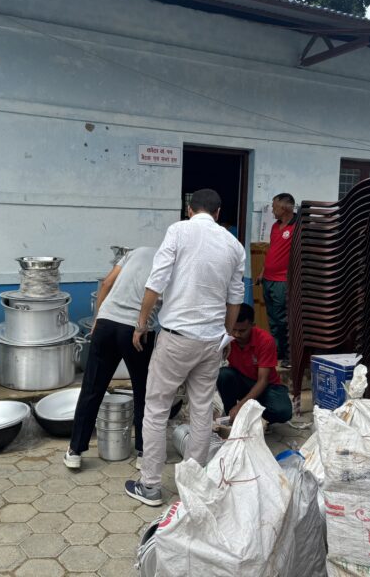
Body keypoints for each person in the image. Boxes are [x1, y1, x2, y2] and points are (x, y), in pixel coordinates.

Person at [125, 189, 245, 507]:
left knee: (156, 409)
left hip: (176, 338)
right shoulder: (234, 245)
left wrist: (141, 323)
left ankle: (150, 486)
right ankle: (194, 486)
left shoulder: (179, 231)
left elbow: (156, 281)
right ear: (218, 213)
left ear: (189, 210)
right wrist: (226, 335)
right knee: (202, 411)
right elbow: (235, 298)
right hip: (210, 341)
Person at [65, 247, 159, 471]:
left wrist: (98, 318)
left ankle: (75, 451)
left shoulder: (135, 252)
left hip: (106, 323)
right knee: (143, 391)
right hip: (136, 330)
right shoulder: (169, 260)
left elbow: (107, 283)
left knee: (92, 388)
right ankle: (143, 453)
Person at [217, 303, 292, 425]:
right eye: (234, 329)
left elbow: (263, 380)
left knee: (283, 412)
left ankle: (254, 417)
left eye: (242, 331)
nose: (237, 334)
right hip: (241, 382)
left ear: (252, 325)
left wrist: (240, 405)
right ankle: (231, 416)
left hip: (267, 386)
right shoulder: (227, 338)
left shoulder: (265, 340)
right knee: (223, 375)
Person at [255, 193, 296, 366]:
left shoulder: (297, 227)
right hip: (268, 279)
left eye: (274, 207)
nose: (272, 210)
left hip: (282, 281)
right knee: (272, 319)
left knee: (283, 319)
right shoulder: (275, 226)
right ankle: (277, 352)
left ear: (284, 208)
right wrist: (262, 272)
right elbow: (272, 250)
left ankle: (289, 356)